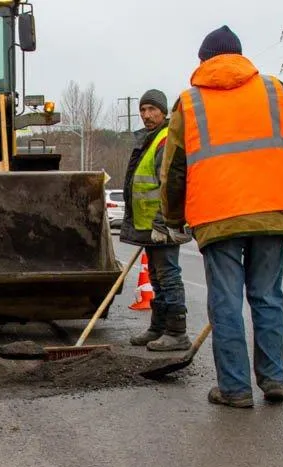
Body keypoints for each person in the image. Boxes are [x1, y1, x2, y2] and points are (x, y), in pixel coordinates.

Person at [159, 25, 283, 408]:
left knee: (225, 301)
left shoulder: (189, 103)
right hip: (271, 210)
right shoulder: (273, 90)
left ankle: (235, 389)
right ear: (240, 56)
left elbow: (174, 170)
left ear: (203, 61)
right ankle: (273, 379)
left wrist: (171, 219)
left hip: (217, 216)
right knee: (267, 296)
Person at [119, 90, 190, 352]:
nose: (147, 115)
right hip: (150, 225)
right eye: (143, 110)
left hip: (163, 224)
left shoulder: (165, 139)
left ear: (163, 112)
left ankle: (177, 332)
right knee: (156, 278)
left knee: (168, 277)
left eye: (152, 109)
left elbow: (170, 185)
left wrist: (162, 221)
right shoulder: (149, 139)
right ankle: (158, 327)